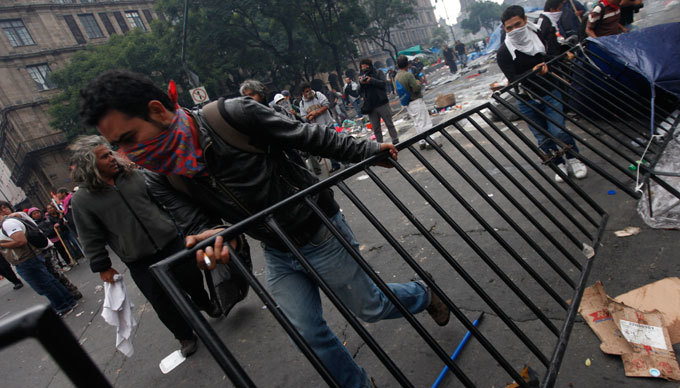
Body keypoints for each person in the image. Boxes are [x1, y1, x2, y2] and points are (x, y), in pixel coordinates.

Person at [80, 70, 449, 388]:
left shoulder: (232, 116)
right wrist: (213, 237)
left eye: (128, 139)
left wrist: (367, 151)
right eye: (116, 146)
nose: (127, 153)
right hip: (275, 248)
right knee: (308, 332)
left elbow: (307, 136)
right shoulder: (160, 176)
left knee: (370, 307)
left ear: (157, 111)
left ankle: (422, 292)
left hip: (317, 229)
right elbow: (198, 222)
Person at [69, 136, 221, 357]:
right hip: (139, 259)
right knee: (161, 301)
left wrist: (182, 227)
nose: (112, 158)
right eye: (104, 156)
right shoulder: (82, 200)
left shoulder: (134, 176)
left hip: (171, 242)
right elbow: (89, 236)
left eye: (111, 153)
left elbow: (162, 202)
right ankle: (184, 335)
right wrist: (102, 266)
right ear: (90, 164)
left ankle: (203, 302)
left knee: (192, 278)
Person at [497, 5, 587, 182]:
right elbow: (512, 78)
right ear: (504, 29)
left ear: (525, 21)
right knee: (542, 137)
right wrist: (533, 71)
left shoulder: (539, 36)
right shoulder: (504, 52)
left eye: (517, 24)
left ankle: (573, 158)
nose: (515, 30)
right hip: (526, 97)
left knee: (558, 130)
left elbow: (552, 57)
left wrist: (549, 65)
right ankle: (558, 162)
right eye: (509, 28)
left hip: (549, 90)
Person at [0, 201, 77, 317]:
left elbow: (21, 241)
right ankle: (68, 301)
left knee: (44, 285)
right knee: (48, 281)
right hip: (27, 259)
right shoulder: (7, 222)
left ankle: (63, 306)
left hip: (27, 259)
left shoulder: (8, 224)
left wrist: (2, 245)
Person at [395, 56, 442, 150]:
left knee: (417, 123)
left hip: (408, 103)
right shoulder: (408, 75)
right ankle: (430, 142)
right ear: (407, 64)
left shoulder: (397, 76)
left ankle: (422, 142)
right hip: (416, 101)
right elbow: (416, 89)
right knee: (425, 122)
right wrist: (418, 83)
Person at [299, 83, 342, 173]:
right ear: (303, 93)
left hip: (328, 124)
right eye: (306, 91)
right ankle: (335, 164)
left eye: (310, 90)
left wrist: (316, 112)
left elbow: (326, 105)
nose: (309, 92)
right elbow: (304, 118)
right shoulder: (302, 103)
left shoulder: (318, 95)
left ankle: (346, 162)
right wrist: (310, 116)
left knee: (337, 143)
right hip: (318, 129)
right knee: (327, 147)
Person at [359, 59, 400, 144]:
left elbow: (383, 84)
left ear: (369, 65)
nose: (363, 68)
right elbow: (358, 92)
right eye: (361, 67)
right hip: (370, 107)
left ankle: (395, 140)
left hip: (382, 103)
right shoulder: (361, 76)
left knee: (389, 123)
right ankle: (380, 144)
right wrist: (360, 83)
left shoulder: (378, 72)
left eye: (364, 66)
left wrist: (371, 80)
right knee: (376, 128)